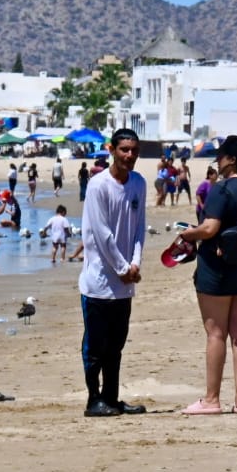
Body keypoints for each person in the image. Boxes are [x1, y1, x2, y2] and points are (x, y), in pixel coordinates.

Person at [173, 135, 237, 414]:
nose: (218, 160)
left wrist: (187, 232)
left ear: (231, 159)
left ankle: (212, 400)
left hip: (217, 270)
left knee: (216, 334)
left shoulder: (221, 189)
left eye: (221, 155)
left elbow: (210, 228)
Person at [78, 127, 148, 417]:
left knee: (116, 345)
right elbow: (101, 233)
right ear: (112, 150)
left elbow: (139, 227)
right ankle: (94, 399)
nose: (129, 156)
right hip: (99, 280)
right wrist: (121, 267)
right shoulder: (98, 185)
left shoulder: (139, 183)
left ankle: (112, 396)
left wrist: (135, 263)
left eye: (133, 150)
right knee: (96, 345)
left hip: (125, 282)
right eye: (124, 150)